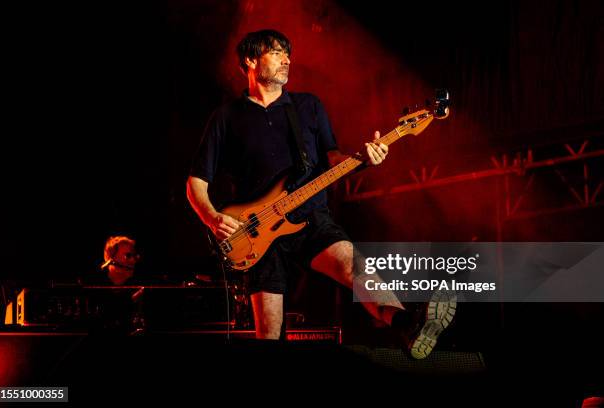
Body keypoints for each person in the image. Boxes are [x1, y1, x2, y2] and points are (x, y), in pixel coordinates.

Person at [186, 29, 456, 358]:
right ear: (250, 60)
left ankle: (407, 325)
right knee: (268, 333)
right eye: (276, 52)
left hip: (311, 215)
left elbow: (333, 158)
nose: (287, 59)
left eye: (288, 53)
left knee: (358, 271)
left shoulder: (307, 106)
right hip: (255, 233)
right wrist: (213, 218)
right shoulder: (226, 117)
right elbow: (196, 183)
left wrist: (365, 157)